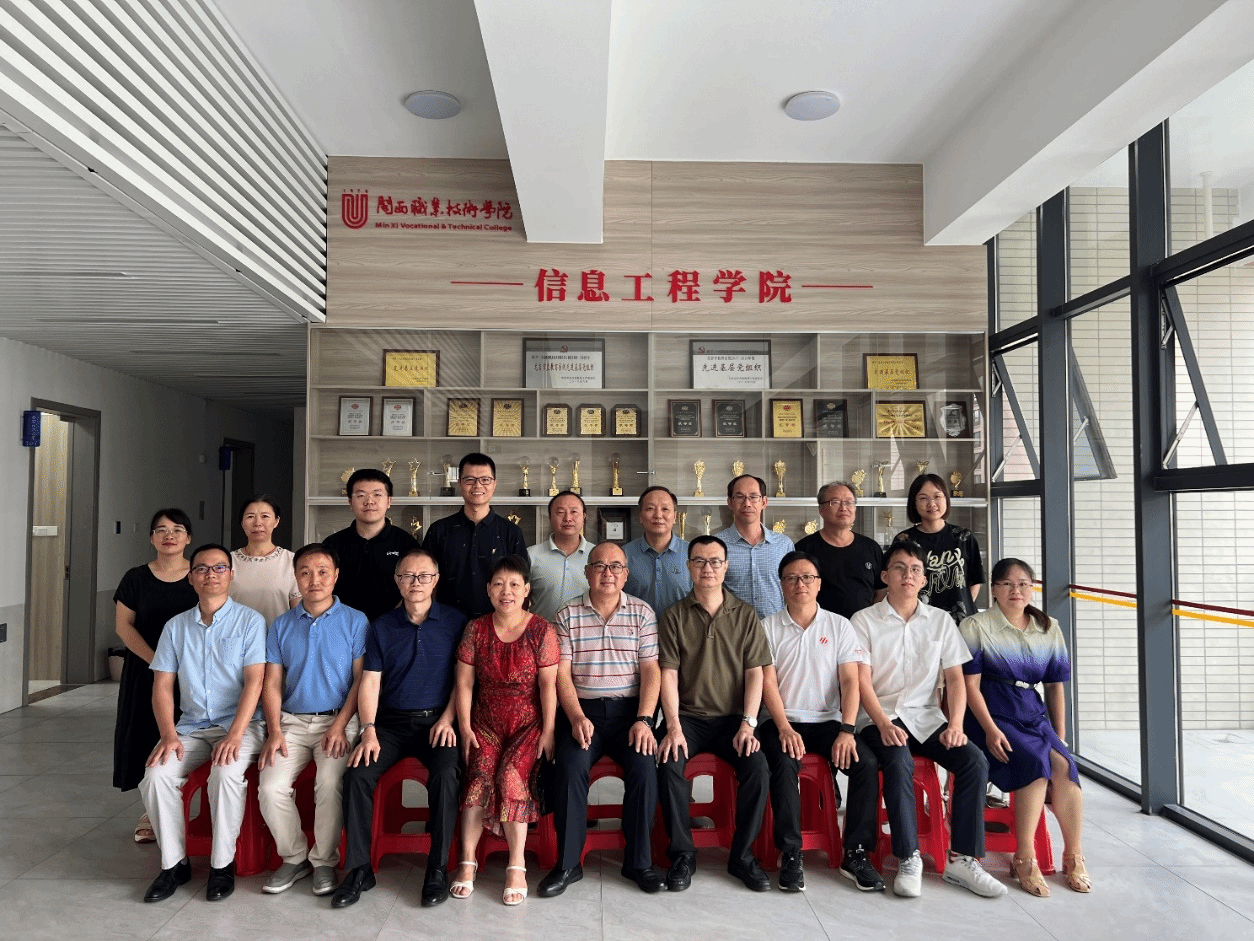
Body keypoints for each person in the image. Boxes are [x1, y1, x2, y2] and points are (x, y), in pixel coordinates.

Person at [851, 540, 1006, 899]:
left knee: (973, 761)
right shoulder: (864, 620)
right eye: (899, 568)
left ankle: (962, 859)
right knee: (898, 760)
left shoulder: (940, 621)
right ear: (885, 576)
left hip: (926, 717)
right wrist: (883, 723)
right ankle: (908, 857)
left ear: (924, 580)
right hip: (879, 717)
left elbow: (955, 678)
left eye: (915, 570)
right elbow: (861, 680)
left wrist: (956, 724)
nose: (907, 575)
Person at [331, 548, 466, 909]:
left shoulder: (455, 622)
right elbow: (370, 681)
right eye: (407, 576)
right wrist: (368, 729)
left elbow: (463, 681)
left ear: (436, 581)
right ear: (397, 581)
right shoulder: (381, 626)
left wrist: (448, 719)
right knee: (357, 775)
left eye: (424, 576)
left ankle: (437, 868)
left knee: (446, 775)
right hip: (389, 723)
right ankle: (360, 869)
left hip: (438, 722)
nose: (415, 583)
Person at [138, 544, 267, 904]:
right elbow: (162, 685)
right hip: (191, 726)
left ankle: (221, 865)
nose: (211, 575)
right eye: (202, 569)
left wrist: (235, 735)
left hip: (241, 725)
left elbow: (255, 682)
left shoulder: (251, 621)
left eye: (219, 568)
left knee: (225, 773)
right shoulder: (175, 627)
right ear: (191, 578)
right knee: (156, 775)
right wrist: (168, 735)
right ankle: (174, 864)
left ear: (231, 575)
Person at [539, 542, 665, 898]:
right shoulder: (567, 614)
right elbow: (562, 675)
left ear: (626, 574)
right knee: (569, 768)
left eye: (615, 567)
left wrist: (644, 719)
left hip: (630, 715)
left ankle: (638, 862)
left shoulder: (642, 612)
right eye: (599, 566)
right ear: (587, 572)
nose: (607, 573)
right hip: (583, 713)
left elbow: (651, 670)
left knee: (644, 768)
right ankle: (568, 864)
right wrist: (576, 716)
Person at [961, 558, 1091, 896]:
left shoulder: (1048, 627)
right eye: (1006, 584)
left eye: (1023, 584)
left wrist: (1059, 736)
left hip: (1031, 711)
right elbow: (970, 686)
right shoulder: (975, 626)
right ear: (993, 589)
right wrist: (990, 729)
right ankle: (1025, 857)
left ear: (1032, 589)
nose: (1015, 590)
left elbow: (1055, 685)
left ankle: (1074, 855)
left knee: (1064, 767)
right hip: (989, 711)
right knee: (1035, 765)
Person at [758, 551, 883, 893]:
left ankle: (855, 852)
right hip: (782, 721)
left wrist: (847, 729)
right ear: (781, 585)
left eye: (807, 577)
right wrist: (784, 727)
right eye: (791, 578)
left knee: (866, 763)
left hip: (828, 721)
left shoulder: (839, 625)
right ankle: (790, 852)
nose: (800, 584)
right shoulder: (768, 627)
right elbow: (767, 683)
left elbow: (850, 681)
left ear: (819, 584)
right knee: (783, 763)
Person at [656, 535, 773, 893]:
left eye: (715, 561)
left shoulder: (746, 615)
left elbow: (756, 673)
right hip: (687, 719)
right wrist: (672, 726)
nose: (707, 568)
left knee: (758, 768)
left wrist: (748, 724)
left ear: (726, 567)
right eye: (699, 561)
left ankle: (742, 856)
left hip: (732, 720)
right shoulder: (674, 615)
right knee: (668, 763)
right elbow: (668, 674)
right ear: (688, 567)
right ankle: (682, 853)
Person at [256, 543, 367, 897]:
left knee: (330, 784)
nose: (314, 579)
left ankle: (323, 862)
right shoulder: (281, 625)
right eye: (305, 572)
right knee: (270, 787)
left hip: (338, 721)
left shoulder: (355, 621)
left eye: (322, 572)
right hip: (290, 722)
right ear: (296, 577)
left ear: (336, 576)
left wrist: (340, 724)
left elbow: (361, 680)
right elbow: (272, 682)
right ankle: (294, 857)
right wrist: (274, 730)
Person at [452, 555, 559, 906]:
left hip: (528, 724)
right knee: (478, 778)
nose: (506, 591)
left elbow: (548, 686)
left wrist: (548, 731)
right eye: (498, 584)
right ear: (488, 589)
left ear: (526, 590)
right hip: (485, 722)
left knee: (510, 777)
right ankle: (467, 861)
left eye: (514, 584)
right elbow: (465, 683)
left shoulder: (542, 630)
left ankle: (516, 865)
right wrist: (465, 727)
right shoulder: (476, 629)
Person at [112, 508, 198, 844]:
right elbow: (124, 627)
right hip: (146, 670)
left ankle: (192, 808)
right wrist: (158, 662)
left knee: (192, 737)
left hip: (194, 671)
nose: (169, 535)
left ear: (188, 538)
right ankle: (151, 810)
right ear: (151, 538)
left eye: (177, 529)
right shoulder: (135, 578)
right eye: (161, 530)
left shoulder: (200, 574)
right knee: (147, 736)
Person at [424, 453, 526, 618]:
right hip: (446, 624)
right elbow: (426, 583)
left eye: (485, 480)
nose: (478, 485)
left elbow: (521, 585)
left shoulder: (511, 532)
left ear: (494, 484)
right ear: (459, 483)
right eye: (469, 480)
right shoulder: (439, 531)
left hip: (497, 625)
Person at [323, 469, 417, 622]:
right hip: (342, 625)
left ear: (389, 501)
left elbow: (415, 588)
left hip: (394, 626)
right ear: (350, 502)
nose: (369, 501)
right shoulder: (332, 544)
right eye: (361, 496)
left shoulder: (406, 543)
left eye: (377, 495)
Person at [894, 474, 984, 624]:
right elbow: (896, 582)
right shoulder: (904, 540)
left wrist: (963, 607)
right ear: (914, 503)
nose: (931, 503)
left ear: (946, 499)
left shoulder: (963, 537)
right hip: (919, 621)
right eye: (923, 498)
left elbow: (975, 580)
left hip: (961, 623)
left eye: (937, 497)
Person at [795, 482, 885, 618]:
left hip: (863, 627)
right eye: (835, 502)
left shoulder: (871, 548)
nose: (843, 508)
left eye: (849, 502)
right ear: (821, 509)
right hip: (818, 627)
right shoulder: (804, 549)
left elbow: (881, 591)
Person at [716, 474, 793, 619]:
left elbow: (792, 591)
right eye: (740, 497)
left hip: (775, 629)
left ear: (764, 502)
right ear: (730, 502)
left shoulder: (783, 545)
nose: (747, 503)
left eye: (753, 497)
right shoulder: (717, 545)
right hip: (732, 628)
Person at [229, 494, 300, 625]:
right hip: (236, 635)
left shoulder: (292, 561)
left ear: (276, 521)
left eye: (265, 516)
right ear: (242, 522)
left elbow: (299, 613)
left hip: (279, 635)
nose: (257, 523)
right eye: (250, 517)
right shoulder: (228, 562)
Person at [622, 486, 692, 614]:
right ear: (640, 516)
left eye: (665, 509)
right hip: (635, 627)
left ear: (675, 516)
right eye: (650, 508)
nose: (658, 515)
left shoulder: (692, 553)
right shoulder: (623, 555)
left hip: (682, 627)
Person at [527, 491, 594, 621]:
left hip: (588, 632)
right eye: (560, 512)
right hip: (542, 632)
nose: (567, 518)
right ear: (550, 517)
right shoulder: (531, 555)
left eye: (574, 512)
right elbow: (520, 602)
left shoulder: (597, 555)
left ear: (584, 517)